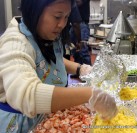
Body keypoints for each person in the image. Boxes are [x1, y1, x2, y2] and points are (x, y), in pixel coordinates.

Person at [0, 0, 117, 132]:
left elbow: (50, 59)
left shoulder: (43, 32)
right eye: (57, 16)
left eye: (67, 17)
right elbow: (27, 94)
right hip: (22, 124)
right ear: (34, 11)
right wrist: (90, 94)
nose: (62, 24)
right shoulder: (14, 43)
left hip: (48, 117)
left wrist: (79, 69)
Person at [69, 0, 91, 66]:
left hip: (82, 24)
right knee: (74, 49)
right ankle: (77, 69)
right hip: (73, 24)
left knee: (83, 51)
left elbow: (79, 2)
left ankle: (88, 73)